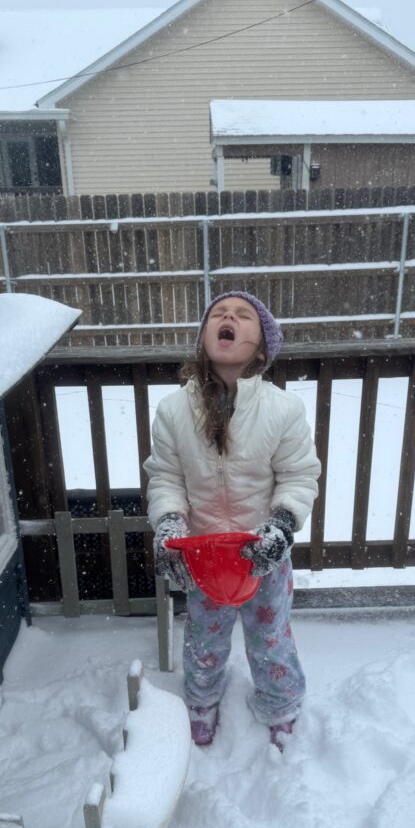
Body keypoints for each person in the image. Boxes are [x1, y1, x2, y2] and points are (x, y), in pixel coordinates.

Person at [143, 291, 321, 750]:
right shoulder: (173, 410)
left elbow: (299, 475)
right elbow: (165, 478)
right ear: (205, 338)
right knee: (204, 637)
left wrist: (281, 524)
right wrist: (169, 525)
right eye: (219, 314)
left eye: (243, 316)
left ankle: (279, 703)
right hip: (203, 557)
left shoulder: (283, 410)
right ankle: (201, 701)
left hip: (261, 554)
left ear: (262, 349)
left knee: (270, 636)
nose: (228, 318)